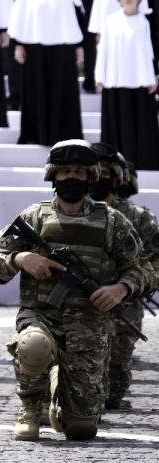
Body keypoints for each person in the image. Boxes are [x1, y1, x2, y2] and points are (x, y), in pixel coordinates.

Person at [0, 139, 146, 441]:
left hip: (89, 325)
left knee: (81, 428)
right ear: (53, 176)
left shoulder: (111, 222)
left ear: (91, 176)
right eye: (65, 171)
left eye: (80, 173)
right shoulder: (34, 217)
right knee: (33, 346)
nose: (71, 178)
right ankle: (30, 407)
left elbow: (140, 268)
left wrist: (120, 288)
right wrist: (21, 258)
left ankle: (59, 386)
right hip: (41, 314)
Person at [96, 149, 159, 411]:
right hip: (75, 306)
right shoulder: (63, 214)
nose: (97, 178)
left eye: (104, 174)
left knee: (112, 392)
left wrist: (133, 283)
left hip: (124, 308)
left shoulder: (138, 217)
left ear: (118, 178)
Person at [8, 0, 85, 146]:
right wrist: (18, 45)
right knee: (35, 91)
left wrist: (79, 46)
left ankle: (65, 135)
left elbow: (76, 16)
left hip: (63, 47)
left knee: (63, 92)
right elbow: (19, 17)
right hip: (35, 47)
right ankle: (36, 134)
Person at [95, 0, 159, 170]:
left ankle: (143, 160)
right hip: (116, 80)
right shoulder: (110, 20)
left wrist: (152, 77)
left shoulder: (144, 21)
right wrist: (100, 75)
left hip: (139, 81)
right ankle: (112, 162)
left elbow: (149, 51)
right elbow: (103, 49)